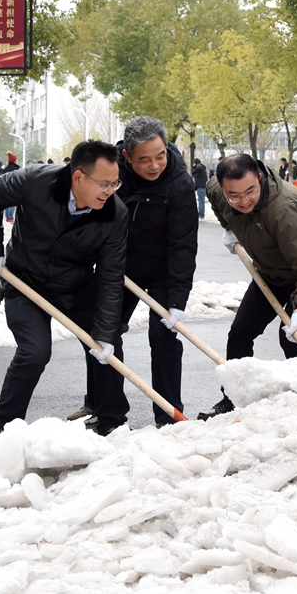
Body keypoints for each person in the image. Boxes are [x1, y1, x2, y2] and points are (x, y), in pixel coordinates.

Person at [0, 140, 129, 437]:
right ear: (78, 176)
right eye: (104, 184)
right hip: (25, 283)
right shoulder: (36, 181)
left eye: (115, 183)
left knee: (107, 347)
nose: (110, 191)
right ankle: (3, 426)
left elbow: (111, 275)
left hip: (75, 287)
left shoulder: (115, 213)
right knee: (34, 352)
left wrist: (106, 333)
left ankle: (111, 423)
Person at [201, 153, 297, 418]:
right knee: (240, 332)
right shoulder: (219, 191)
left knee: (290, 337)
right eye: (235, 195)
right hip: (270, 272)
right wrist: (228, 227)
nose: (244, 200)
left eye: (250, 191)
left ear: (260, 178)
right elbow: (214, 195)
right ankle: (233, 399)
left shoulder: (283, 209)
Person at [96, 117, 198, 427]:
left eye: (160, 155)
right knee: (103, 336)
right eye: (144, 160)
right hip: (119, 266)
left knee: (163, 333)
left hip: (162, 269)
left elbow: (183, 245)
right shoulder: (109, 173)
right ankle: (109, 416)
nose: (155, 165)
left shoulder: (180, 182)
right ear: (127, 157)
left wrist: (177, 301)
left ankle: (169, 416)